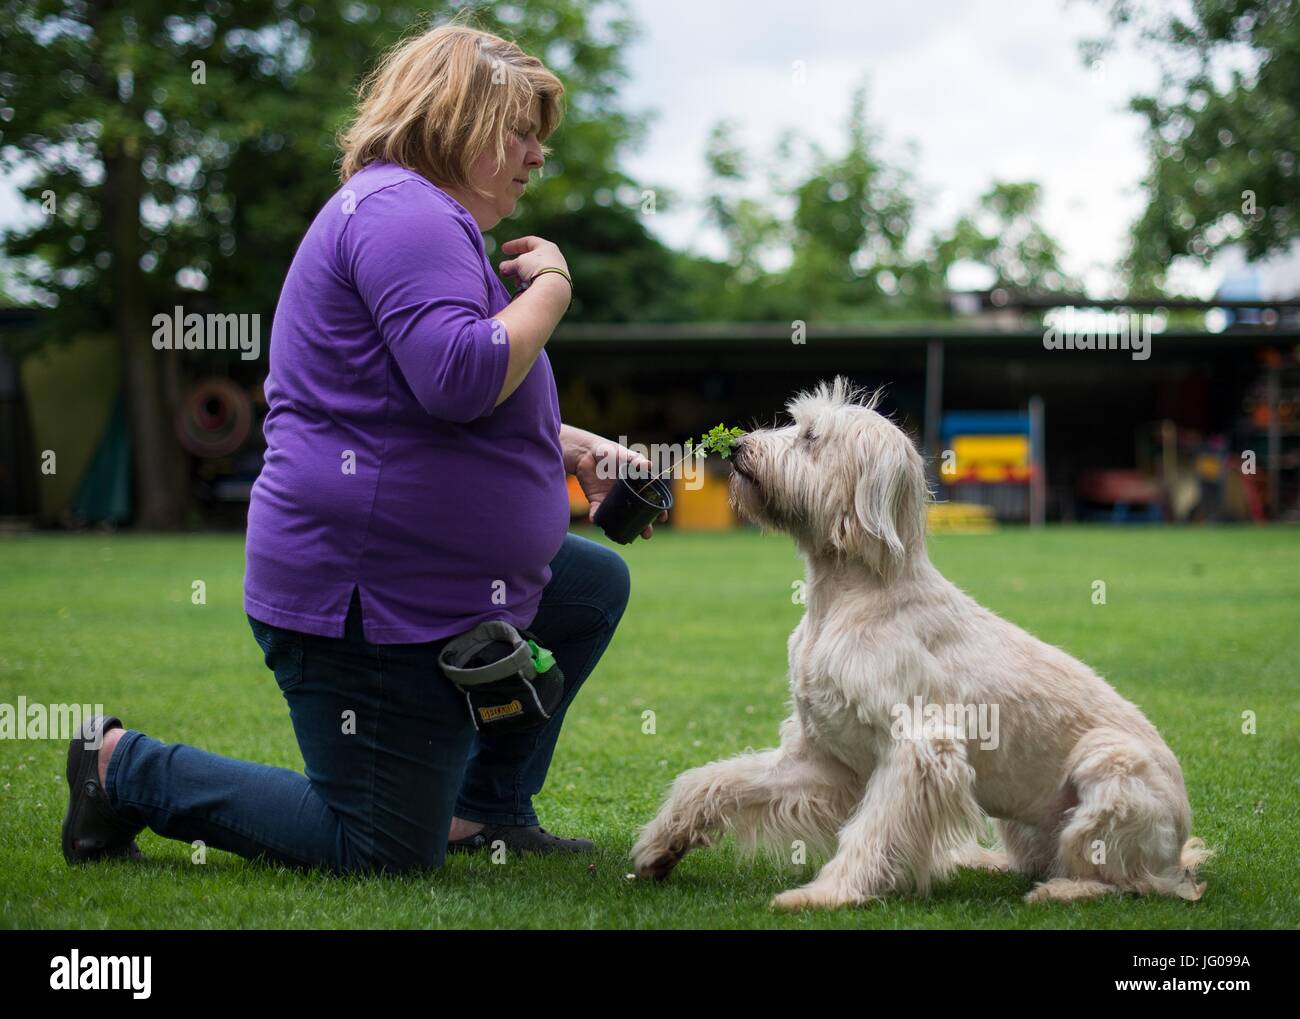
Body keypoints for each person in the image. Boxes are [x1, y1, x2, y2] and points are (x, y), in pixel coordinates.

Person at [61, 22, 662, 875]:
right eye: (520, 132)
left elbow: (400, 405)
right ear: (455, 116)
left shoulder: (419, 217)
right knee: (377, 847)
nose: (536, 158)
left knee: (588, 585)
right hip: (366, 594)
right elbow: (460, 376)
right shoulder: (405, 212)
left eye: (541, 139)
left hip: (421, 579)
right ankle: (120, 765)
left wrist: (565, 448)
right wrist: (557, 288)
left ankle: (484, 810)